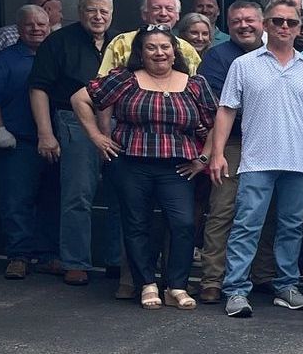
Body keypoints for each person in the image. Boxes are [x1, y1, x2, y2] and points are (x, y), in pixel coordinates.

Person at [208, 0, 303, 318]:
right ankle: (236, 290)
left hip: (299, 162)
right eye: (277, 21)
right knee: (246, 225)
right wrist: (217, 153)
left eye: (291, 22)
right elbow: (226, 111)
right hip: (256, 160)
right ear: (266, 25)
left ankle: (286, 286)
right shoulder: (244, 65)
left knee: (291, 227)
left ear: (299, 28)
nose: (284, 27)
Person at [72, 28, 214, 309]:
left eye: (165, 47)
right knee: (137, 224)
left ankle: (176, 287)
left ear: (175, 51)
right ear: (140, 52)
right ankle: (146, 284)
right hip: (132, 164)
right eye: (151, 48)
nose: (159, 53)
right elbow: (80, 99)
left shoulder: (195, 83)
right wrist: (97, 137)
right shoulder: (124, 79)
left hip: (177, 167)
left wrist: (204, 158)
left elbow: (216, 120)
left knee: (184, 224)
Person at [27, 0, 118, 286]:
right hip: (73, 121)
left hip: (118, 123)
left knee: (121, 194)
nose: (98, 16)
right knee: (78, 194)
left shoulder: (120, 43)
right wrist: (45, 133)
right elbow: (38, 88)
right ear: (80, 12)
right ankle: (76, 262)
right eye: (92, 10)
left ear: (112, 14)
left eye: (104, 11)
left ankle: (117, 260)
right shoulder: (58, 42)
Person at [192, 0, 277, 303]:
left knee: (266, 212)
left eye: (250, 20)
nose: (244, 25)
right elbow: (219, 105)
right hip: (233, 143)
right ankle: (212, 279)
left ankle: (262, 274)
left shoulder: (276, 53)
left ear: (262, 23)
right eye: (237, 21)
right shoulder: (217, 57)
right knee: (223, 210)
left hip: (269, 144)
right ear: (228, 26)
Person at [0, 6, 60, 279]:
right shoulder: (3, 60)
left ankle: (49, 255)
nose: (36, 29)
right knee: (16, 202)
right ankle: (19, 256)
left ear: (49, 26)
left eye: (41, 24)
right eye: (29, 25)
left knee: (52, 200)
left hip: (57, 143)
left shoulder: (56, 57)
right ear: (18, 28)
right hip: (17, 143)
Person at [96, 0, 203, 74]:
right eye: (157, 8)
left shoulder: (188, 49)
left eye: (169, 9)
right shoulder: (121, 43)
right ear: (144, 14)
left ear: (177, 15)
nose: (163, 13)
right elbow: (102, 84)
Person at [0, 0, 65, 79]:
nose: (62, 16)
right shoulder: (4, 36)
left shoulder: (55, 42)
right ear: (47, 10)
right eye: (59, 11)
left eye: (41, 25)